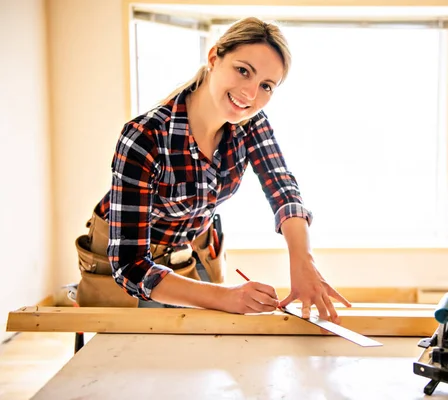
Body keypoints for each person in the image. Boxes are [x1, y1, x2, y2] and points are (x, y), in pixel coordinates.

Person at [84, 17, 351, 323]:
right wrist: (228, 296)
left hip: (191, 247)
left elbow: (283, 189)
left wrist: (304, 262)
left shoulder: (251, 124)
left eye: (266, 86)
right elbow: (130, 267)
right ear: (214, 58)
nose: (250, 94)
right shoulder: (144, 137)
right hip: (127, 257)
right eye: (243, 71)